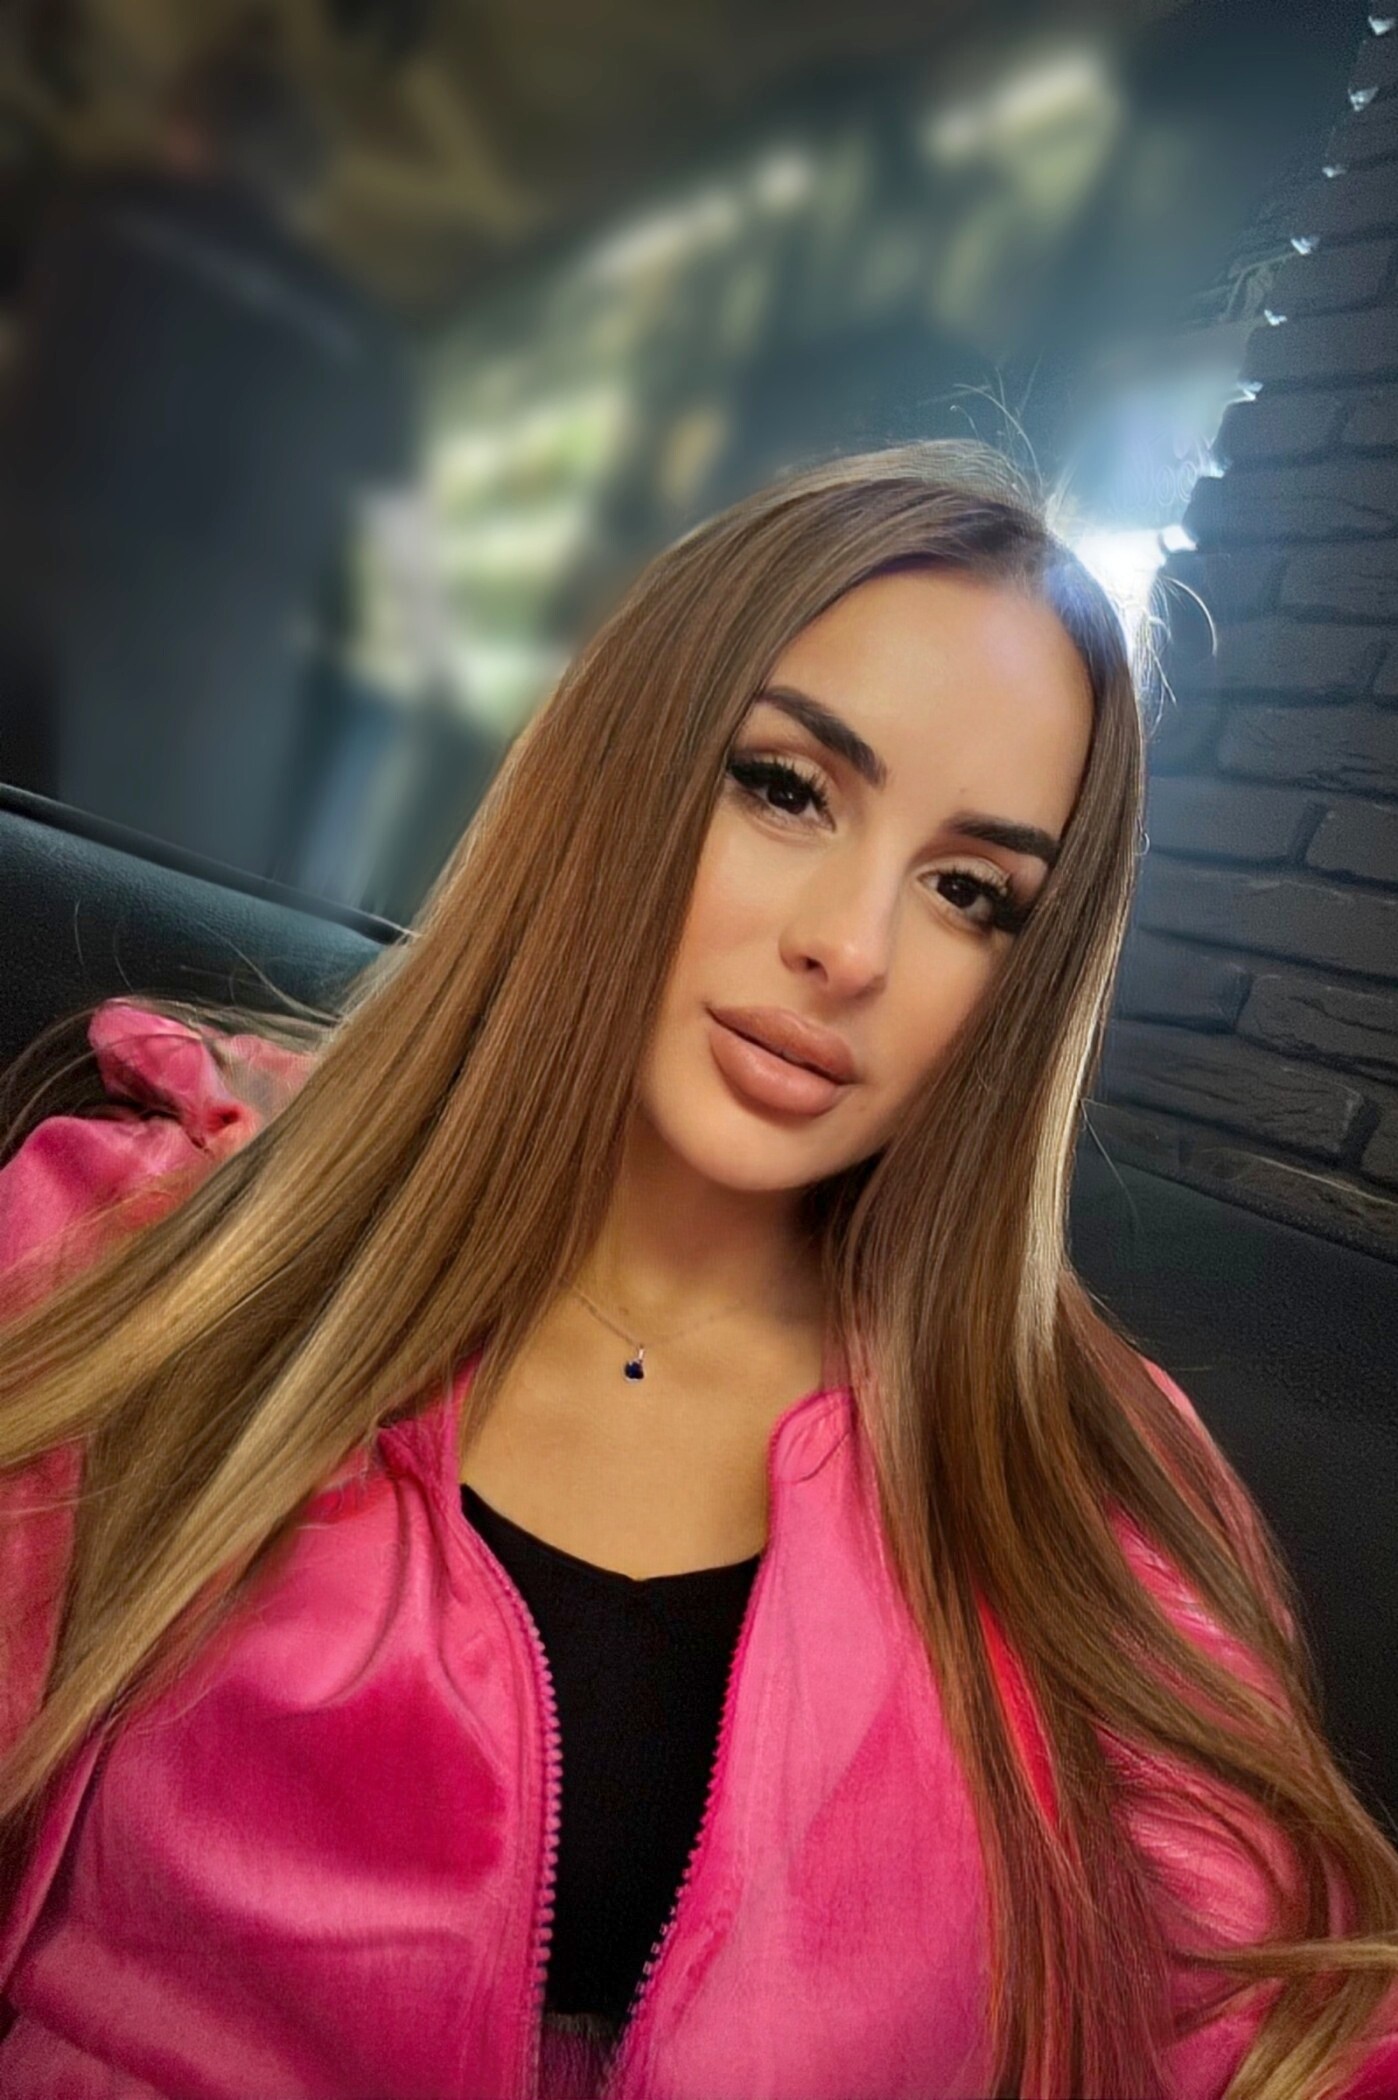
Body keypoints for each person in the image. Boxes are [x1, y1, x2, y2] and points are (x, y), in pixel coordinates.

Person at [1, 440, 1396, 2099]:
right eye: (785, 788)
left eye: (969, 892)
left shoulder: (1082, 1478)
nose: (849, 948)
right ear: (623, 768)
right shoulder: (136, 1246)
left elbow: (1287, 2030)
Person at [0, 33, 446, 880]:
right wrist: (437, 697)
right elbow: (411, 562)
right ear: (304, 192)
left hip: (24, 626)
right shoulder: (365, 336)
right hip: (209, 720)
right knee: (121, 924)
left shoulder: (89, 209)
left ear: (185, 135)